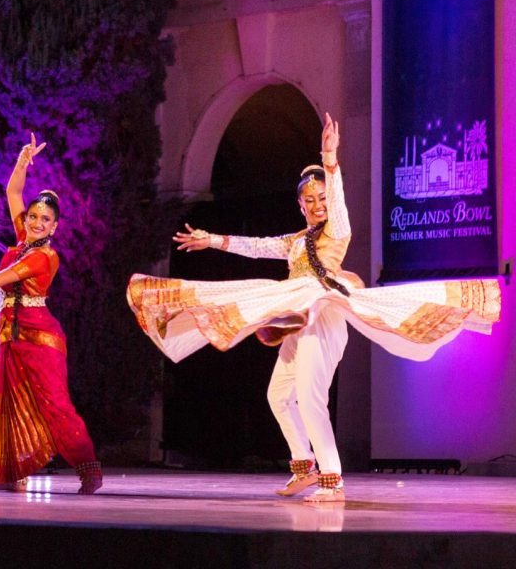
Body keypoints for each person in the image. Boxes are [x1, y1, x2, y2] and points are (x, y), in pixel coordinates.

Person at [127, 113, 500, 503]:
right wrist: (213, 241)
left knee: (310, 396)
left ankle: (333, 480)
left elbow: (337, 204)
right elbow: (255, 246)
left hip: (323, 314)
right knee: (277, 395)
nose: (319, 204)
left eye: (322, 198)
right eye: (311, 200)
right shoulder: (294, 241)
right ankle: (303, 467)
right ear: (300, 205)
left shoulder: (337, 230)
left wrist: (329, 159)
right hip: (295, 319)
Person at [0, 134, 102, 495]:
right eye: (33, 216)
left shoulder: (42, 256)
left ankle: (89, 469)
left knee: (55, 406)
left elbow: (1, 279)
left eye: (45, 219)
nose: (37, 222)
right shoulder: (23, 241)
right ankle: (11, 473)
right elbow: (14, 193)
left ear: (55, 226)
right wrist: (23, 160)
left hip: (39, 338)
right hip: (10, 337)